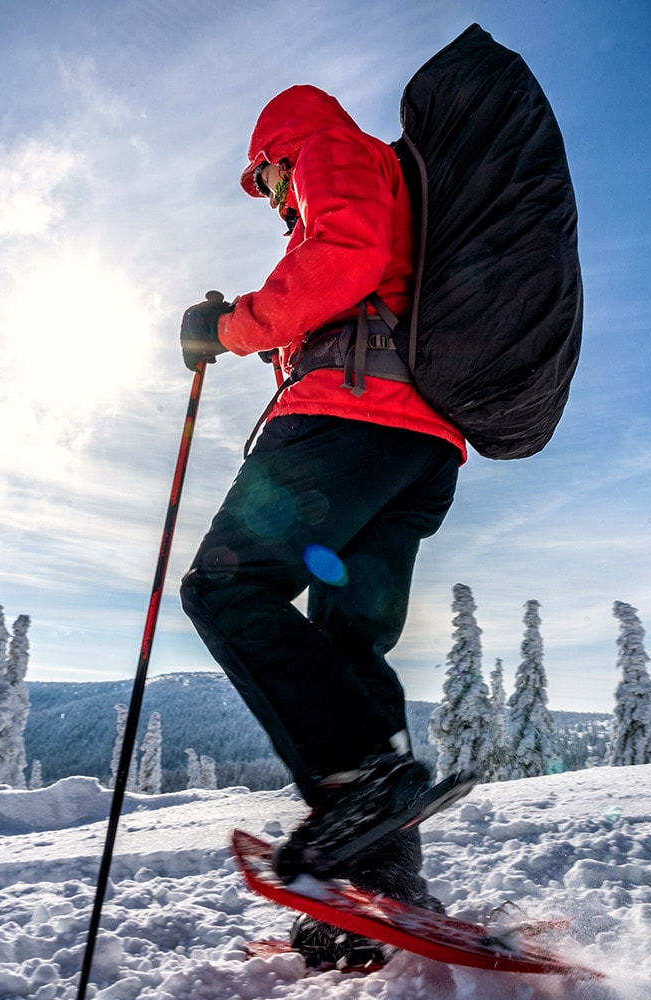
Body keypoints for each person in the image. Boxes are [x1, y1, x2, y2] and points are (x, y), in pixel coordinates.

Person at [178, 84, 468, 968]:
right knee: (350, 646)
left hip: (350, 424)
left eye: (264, 181)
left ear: (279, 153)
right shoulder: (392, 181)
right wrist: (261, 339)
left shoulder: (330, 152)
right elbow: (365, 284)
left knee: (227, 586)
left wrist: (228, 326)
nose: (271, 198)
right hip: (419, 447)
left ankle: (356, 784)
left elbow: (346, 255)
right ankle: (381, 887)